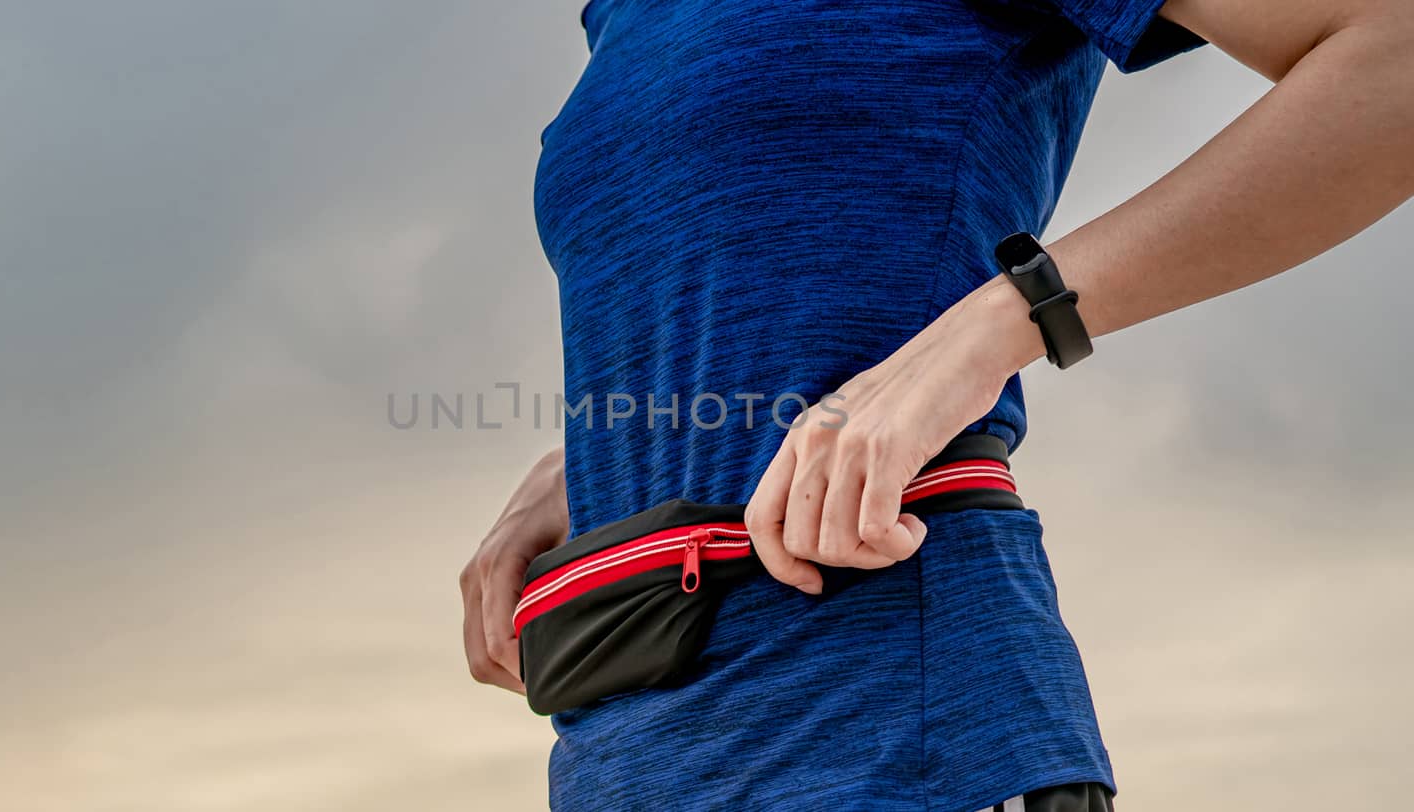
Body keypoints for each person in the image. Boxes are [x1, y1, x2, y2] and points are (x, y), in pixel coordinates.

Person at [459, 0, 1414, 808]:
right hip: (627, 744)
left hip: (888, 720)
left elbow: (1390, 53)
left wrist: (999, 324)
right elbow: (752, 246)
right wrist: (615, 444)